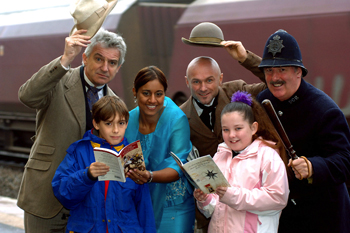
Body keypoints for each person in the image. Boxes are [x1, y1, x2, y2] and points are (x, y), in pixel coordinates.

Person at [17, 28, 127, 232]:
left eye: (112, 63)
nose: (105, 67)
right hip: (46, 198)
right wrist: (65, 58)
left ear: (118, 68)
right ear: (84, 58)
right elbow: (27, 96)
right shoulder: (58, 81)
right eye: (99, 59)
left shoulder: (117, 104)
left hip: (90, 206)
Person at [256, 29, 350, 233]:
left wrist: (312, 166)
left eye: (282, 69)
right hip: (281, 217)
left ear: (298, 71)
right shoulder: (261, 102)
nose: (274, 78)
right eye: (269, 71)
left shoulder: (326, 110)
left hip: (323, 217)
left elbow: (344, 161)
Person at [180, 41, 266, 232]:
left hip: (251, 202)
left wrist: (245, 58)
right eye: (196, 81)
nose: (203, 88)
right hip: (212, 210)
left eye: (209, 80)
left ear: (220, 78)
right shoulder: (180, 116)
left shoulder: (237, 90)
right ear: (187, 82)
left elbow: (272, 81)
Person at [51, 96, 156, 233]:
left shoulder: (132, 155)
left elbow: (144, 206)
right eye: (108, 124)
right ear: (96, 124)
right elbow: (63, 194)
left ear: (127, 123)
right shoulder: (79, 151)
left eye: (121, 123)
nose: (116, 130)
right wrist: (86, 176)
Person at [194, 91, 289, 233]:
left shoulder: (267, 156)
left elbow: (277, 198)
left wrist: (232, 196)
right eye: (226, 129)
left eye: (238, 128)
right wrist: (204, 200)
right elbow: (214, 209)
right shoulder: (220, 155)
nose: (231, 135)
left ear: (253, 128)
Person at [124, 66, 195, 232]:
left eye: (159, 94)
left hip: (173, 205)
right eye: (146, 93)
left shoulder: (177, 119)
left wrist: (149, 176)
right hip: (138, 201)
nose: (153, 100)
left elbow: (177, 165)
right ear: (135, 92)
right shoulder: (128, 120)